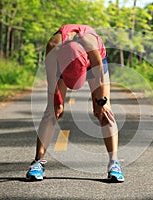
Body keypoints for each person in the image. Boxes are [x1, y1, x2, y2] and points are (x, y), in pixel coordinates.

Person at [26, 24, 124, 182]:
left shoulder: (93, 50)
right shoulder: (53, 48)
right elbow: (52, 86)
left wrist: (102, 101)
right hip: (63, 61)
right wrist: (58, 103)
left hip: (93, 63)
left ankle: (114, 163)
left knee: (103, 111)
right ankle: (38, 162)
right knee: (51, 111)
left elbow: (99, 79)